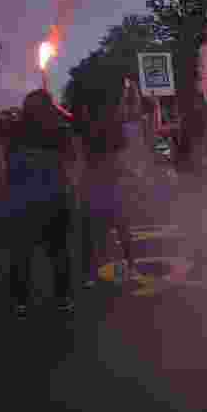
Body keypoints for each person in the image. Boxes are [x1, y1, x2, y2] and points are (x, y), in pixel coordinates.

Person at [0, 89, 77, 318]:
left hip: (22, 203)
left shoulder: (13, 131)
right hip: (54, 201)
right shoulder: (60, 131)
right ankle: (63, 299)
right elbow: (71, 163)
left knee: (21, 254)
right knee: (58, 253)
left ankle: (21, 302)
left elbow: (4, 168)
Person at [79, 93, 136, 288]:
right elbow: (119, 160)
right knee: (121, 228)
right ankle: (130, 265)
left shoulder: (90, 132)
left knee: (94, 232)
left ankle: (91, 273)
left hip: (95, 186)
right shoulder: (113, 132)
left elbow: (85, 159)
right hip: (111, 186)